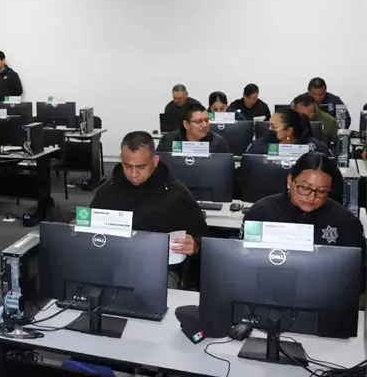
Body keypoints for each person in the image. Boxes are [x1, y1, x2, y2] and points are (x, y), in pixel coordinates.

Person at [90, 131, 208, 289]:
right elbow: (89, 235)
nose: (134, 174)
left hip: (159, 270)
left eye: (141, 167)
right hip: (113, 265)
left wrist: (195, 246)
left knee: (154, 294)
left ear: (155, 161)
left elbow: (203, 237)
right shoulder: (107, 192)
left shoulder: (176, 194)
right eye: (127, 166)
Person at [242, 152, 366, 286]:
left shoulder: (345, 221)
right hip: (266, 288)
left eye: (321, 191)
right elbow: (242, 260)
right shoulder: (261, 212)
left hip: (323, 291)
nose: (312, 197)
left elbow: (359, 274)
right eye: (305, 188)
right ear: (290, 181)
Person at [245, 106, 330, 156]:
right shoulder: (257, 147)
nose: (270, 129)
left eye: (274, 127)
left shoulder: (315, 148)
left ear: (289, 131)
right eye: (269, 125)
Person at [156, 104, 231, 153]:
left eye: (206, 120)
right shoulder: (167, 141)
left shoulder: (219, 143)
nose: (204, 125)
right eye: (199, 121)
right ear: (186, 124)